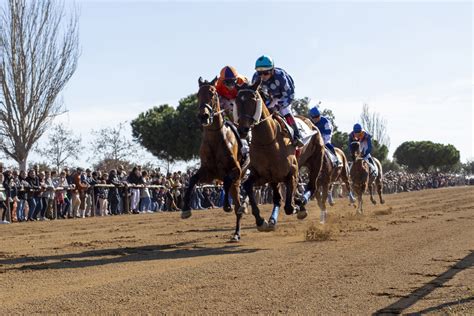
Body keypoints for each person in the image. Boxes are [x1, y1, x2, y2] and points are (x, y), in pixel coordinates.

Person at [252, 55, 303, 147]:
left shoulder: (280, 76)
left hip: (283, 97)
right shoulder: (256, 77)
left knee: (285, 111)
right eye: (260, 73)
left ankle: (297, 136)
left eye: (266, 73)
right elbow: (254, 95)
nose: (262, 76)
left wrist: (278, 106)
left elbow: (289, 95)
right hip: (268, 99)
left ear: (272, 70)